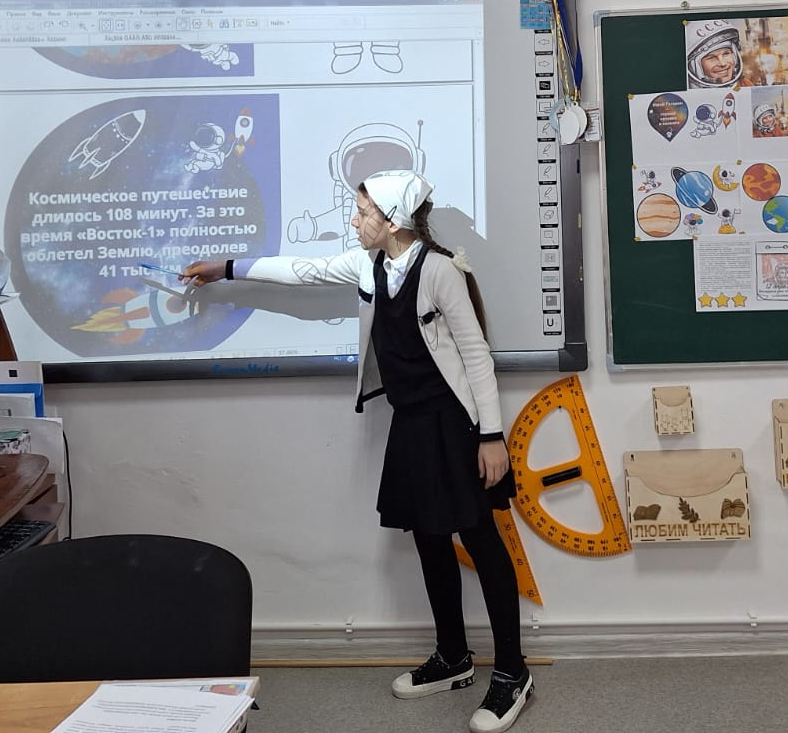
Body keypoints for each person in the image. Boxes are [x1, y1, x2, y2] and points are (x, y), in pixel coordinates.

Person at [181, 170, 532, 733]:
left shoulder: (439, 271)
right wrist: (225, 267)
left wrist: (492, 437)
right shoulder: (371, 265)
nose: (354, 220)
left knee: (482, 543)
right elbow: (301, 271)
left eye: (364, 212)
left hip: (455, 425)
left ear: (393, 221)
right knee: (429, 539)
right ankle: (454, 657)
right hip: (411, 426)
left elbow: (476, 354)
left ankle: (513, 672)